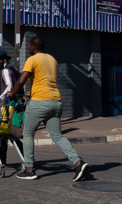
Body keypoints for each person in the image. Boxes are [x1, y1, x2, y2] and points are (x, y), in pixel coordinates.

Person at [8, 36, 90, 182]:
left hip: (40, 103)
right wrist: (31, 92)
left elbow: (21, 80)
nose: (28, 49)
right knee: (57, 136)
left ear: (33, 47)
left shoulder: (32, 59)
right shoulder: (53, 60)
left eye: (29, 46)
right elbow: (45, 81)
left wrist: (12, 93)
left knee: (27, 134)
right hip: (56, 102)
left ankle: (29, 169)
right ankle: (78, 163)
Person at [0, 50, 23, 166]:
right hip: (17, 104)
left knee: (6, 131)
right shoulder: (13, 68)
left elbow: (9, 86)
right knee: (11, 132)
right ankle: (25, 159)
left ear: (3, 60)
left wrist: (1, 98)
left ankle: (3, 160)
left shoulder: (6, 70)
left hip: (9, 105)